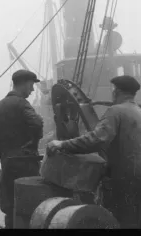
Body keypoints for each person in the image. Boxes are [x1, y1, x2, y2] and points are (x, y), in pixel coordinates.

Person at [47, 75, 141, 229]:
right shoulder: (137, 111)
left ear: (116, 91)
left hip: (123, 179)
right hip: (137, 178)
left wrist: (63, 144)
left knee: (117, 220)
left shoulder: (115, 111)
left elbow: (97, 139)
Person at [0, 69, 44, 228]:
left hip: (8, 162)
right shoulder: (22, 104)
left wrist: (5, 155)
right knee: (29, 203)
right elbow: (37, 123)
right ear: (24, 83)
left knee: (10, 204)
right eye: (31, 85)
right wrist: (31, 146)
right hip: (26, 163)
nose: (32, 90)